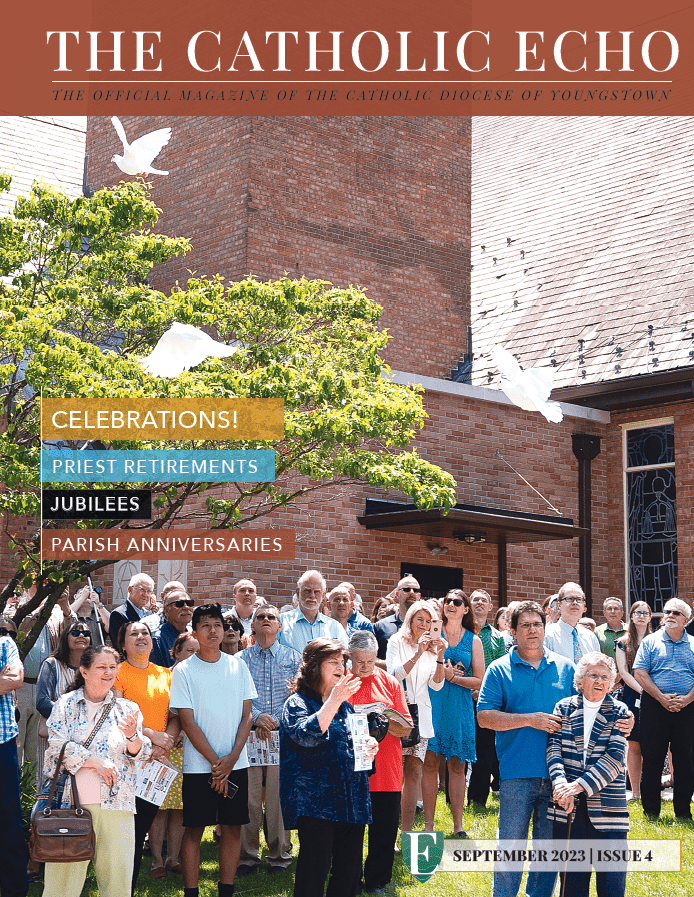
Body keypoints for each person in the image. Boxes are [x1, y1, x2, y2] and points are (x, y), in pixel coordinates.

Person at [477, 600, 577, 897]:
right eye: (525, 625)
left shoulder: (566, 668)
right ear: (513, 631)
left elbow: (585, 712)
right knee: (511, 846)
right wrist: (529, 720)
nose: (532, 630)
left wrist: (623, 716)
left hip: (558, 776)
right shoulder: (498, 670)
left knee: (547, 852)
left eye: (537, 624)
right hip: (516, 771)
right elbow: (484, 717)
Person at [42, 645, 151, 897]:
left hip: (118, 806)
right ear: (84, 671)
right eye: (101, 667)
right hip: (70, 805)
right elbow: (56, 749)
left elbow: (142, 753)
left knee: (117, 884)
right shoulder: (66, 704)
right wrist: (94, 761)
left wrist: (133, 735)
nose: (108, 672)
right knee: (61, 887)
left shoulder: (128, 708)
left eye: (113, 667)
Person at [169, 603, 256, 897]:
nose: (213, 630)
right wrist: (216, 763)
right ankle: (191, 891)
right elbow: (187, 721)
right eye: (205, 625)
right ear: (194, 632)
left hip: (236, 763)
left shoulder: (238, 665)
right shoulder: (183, 671)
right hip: (198, 766)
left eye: (217, 624)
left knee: (232, 828)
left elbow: (247, 716)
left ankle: (226, 891)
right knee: (193, 829)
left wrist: (230, 760)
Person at [280, 638, 378, 897]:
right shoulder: (297, 703)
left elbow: (358, 756)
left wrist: (369, 747)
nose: (341, 666)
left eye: (343, 662)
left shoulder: (347, 708)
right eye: (333, 662)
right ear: (314, 667)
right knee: (314, 871)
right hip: (316, 805)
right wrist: (333, 700)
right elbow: (306, 735)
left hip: (351, 802)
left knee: (348, 873)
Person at [547, 653, 629, 897]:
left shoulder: (620, 711)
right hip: (567, 809)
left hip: (609, 812)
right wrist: (562, 785)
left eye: (605, 677)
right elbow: (554, 751)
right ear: (580, 681)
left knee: (611, 886)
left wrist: (578, 786)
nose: (600, 681)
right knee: (571, 885)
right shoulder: (563, 707)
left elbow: (614, 759)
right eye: (593, 675)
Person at [114, 621, 179, 890]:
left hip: (157, 762)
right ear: (123, 644)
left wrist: (167, 741)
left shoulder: (166, 674)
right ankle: (119, 887)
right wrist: (152, 737)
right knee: (126, 830)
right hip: (127, 759)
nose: (141, 637)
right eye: (134, 633)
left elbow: (175, 716)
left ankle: (126, 887)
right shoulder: (118, 672)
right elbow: (116, 714)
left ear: (153, 642)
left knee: (141, 826)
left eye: (145, 633)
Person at [237, 604, 301, 875]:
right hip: (249, 735)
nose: (265, 620)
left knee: (276, 798)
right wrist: (259, 716)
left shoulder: (294, 658)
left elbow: (298, 697)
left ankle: (278, 855)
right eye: (260, 617)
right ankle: (247, 857)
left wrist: (273, 719)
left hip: (281, 736)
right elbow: (236, 696)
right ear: (252, 626)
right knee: (250, 798)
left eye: (271, 617)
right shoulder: (239, 660)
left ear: (280, 626)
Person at [348, 630, 412, 896]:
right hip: (352, 769)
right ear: (349, 657)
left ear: (377, 657)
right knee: (349, 833)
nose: (364, 667)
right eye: (359, 661)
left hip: (386, 769)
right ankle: (348, 879)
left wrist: (386, 721)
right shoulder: (342, 681)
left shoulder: (390, 683)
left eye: (370, 661)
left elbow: (406, 728)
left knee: (384, 830)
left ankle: (376, 880)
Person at [424, 589, 484, 836]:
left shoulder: (474, 640)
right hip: (433, 703)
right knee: (429, 763)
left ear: (465, 609)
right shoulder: (431, 633)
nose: (450, 604)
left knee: (457, 766)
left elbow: (480, 680)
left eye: (457, 602)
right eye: (447, 601)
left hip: (458, 707)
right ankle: (428, 825)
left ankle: (457, 826)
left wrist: (454, 678)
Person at [385, 599, 446, 832]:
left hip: (421, 716)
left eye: (428, 621)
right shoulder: (395, 642)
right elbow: (394, 676)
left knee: (414, 772)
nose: (423, 624)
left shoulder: (433, 648)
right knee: (392, 774)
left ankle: (406, 833)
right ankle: (388, 832)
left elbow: (437, 685)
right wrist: (418, 653)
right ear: (409, 620)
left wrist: (439, 656)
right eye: (419, 619)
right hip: (397, 714)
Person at [633, 597, 694, 819]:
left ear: (686, 619)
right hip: (654, 706)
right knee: (652, 758)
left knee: (686, 760)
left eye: (676, 613)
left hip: (687, 708)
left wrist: (686, 699)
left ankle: (683, 812)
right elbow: (639, 672)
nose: (669, 615)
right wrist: (661, 698)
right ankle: (651, 812)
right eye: (667, 611)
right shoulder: (650, 642)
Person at [154, 632, 201, 876]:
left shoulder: (199, 679)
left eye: (197, 651)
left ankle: (173, 858)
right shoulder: (163, 677)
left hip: (189, 750)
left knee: (180, 808)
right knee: (160, 807)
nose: (193, 656)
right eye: (189, 651)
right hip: (163, 747)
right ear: (176, 652)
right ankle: (155, 861)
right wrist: (171, 736)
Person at [36, 621, 91, 783]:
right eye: (75, 632)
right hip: (55, 737)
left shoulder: (93, 669)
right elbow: (42, 702)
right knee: (52, 789)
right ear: (65, 638)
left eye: (86, 633)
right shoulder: (51, 664)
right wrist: (74, 720)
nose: (81, 635)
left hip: (86, 740)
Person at [468, 588, 506, 808]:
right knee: (464, 751)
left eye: (484, 600)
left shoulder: (497, 637)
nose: (480, 603)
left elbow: (500, 668)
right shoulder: (463, 632)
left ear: (491, 607)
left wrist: (483, 690)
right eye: (475, 599)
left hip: (487, 699)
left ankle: (478, 799)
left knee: (485, 751)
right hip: (464, 694)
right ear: (469, 605)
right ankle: (453, 798)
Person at [0, 619, 28, 897]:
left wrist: (6, 681)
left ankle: (14, 890)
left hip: (2, 745)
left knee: (9, 820)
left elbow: (16, 679)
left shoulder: (5, 643)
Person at [615, 601, 652, 800]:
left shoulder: (656, 640)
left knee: (657, 743)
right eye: (637, 612)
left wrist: (653, 693)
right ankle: (636, 792)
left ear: (649, 617)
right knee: (634, 744)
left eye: (645, 612)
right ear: (631, 615)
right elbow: (623, 672)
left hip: (656, 695)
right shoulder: (622, 642)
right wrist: (643, 691)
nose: (641, 616)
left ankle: (653, 789)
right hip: (632, 694)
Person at [279, 570, 349, 653]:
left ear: (323, 595)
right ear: (298, 592)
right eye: (307, 591)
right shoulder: (281, 622)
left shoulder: (335, 627)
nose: (312, 595)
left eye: (317, 592)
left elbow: (346, 660)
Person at [544, 582, 600, 661]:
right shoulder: (548, 634)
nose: (575, 603)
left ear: (584, 606)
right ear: (559, 605)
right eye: (569, 599)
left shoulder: (590, 637)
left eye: (579, 599)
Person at [373, 576, 421, 660]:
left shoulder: (426, 626)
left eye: (416, 590)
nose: (412, 592)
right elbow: (372, 657)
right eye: (406, 589)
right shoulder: (381, 626)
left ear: (419, 595)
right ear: (397, 594)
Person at [147, 588, 195, 668]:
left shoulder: (194, 636)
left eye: (189, 603)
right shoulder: (156, 639)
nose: (186, 607)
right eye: (179, 604)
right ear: (166, 610)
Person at [108, 573, 156, 648]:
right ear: (130, 589)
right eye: (142, 590)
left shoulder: (150, 614)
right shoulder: (119, 614)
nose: (146, 594)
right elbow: (119, 646)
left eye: (149, 591)